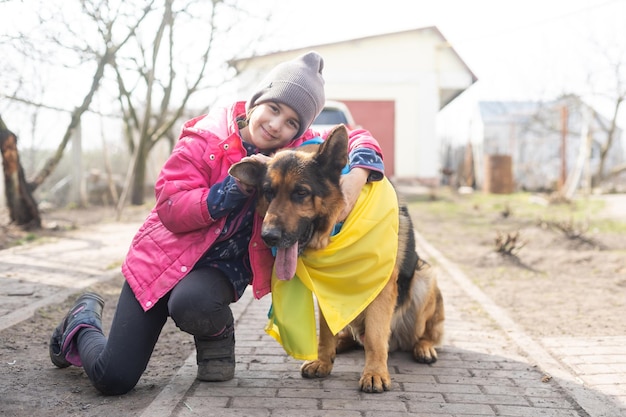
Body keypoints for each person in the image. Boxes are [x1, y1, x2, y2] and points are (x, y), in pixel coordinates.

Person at [48, 51, 385, 395]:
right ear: (257, 102)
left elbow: (356, 136)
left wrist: (359, 174)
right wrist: (233, 187)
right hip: (159, 264)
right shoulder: (206, 137)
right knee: (113, 378)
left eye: (291, 122)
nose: (276, 125)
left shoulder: (293, 152)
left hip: (216, 273)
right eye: (273, 109)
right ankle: (81, 320)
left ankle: (216, 337)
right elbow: (170, 206)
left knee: (193, 302)